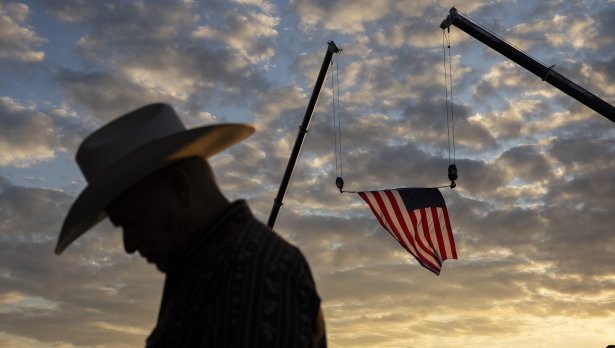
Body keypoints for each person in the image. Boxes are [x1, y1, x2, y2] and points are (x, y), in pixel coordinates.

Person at [56, 103, 326, 347]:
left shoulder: (255, 272)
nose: (129, 245)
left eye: (133, 221)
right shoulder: (218, 270)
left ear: (180, 187)